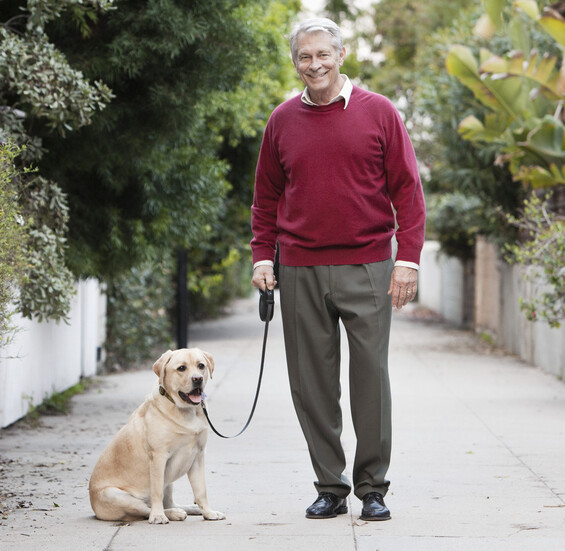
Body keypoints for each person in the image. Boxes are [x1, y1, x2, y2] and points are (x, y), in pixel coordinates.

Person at [250, 17, 426, 522]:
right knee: (311, 384)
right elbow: (266, 197)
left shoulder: (380, 113)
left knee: (370, 377)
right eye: (305, 57)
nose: (315, 65)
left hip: (369, 265)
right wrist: (264, 256)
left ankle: (373, 488)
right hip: (300, 268)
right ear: (295, 63)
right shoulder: (281, 120)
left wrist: (407, 259)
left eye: (323, 54)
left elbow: (408, 192)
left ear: (341, 54)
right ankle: (331, 485)